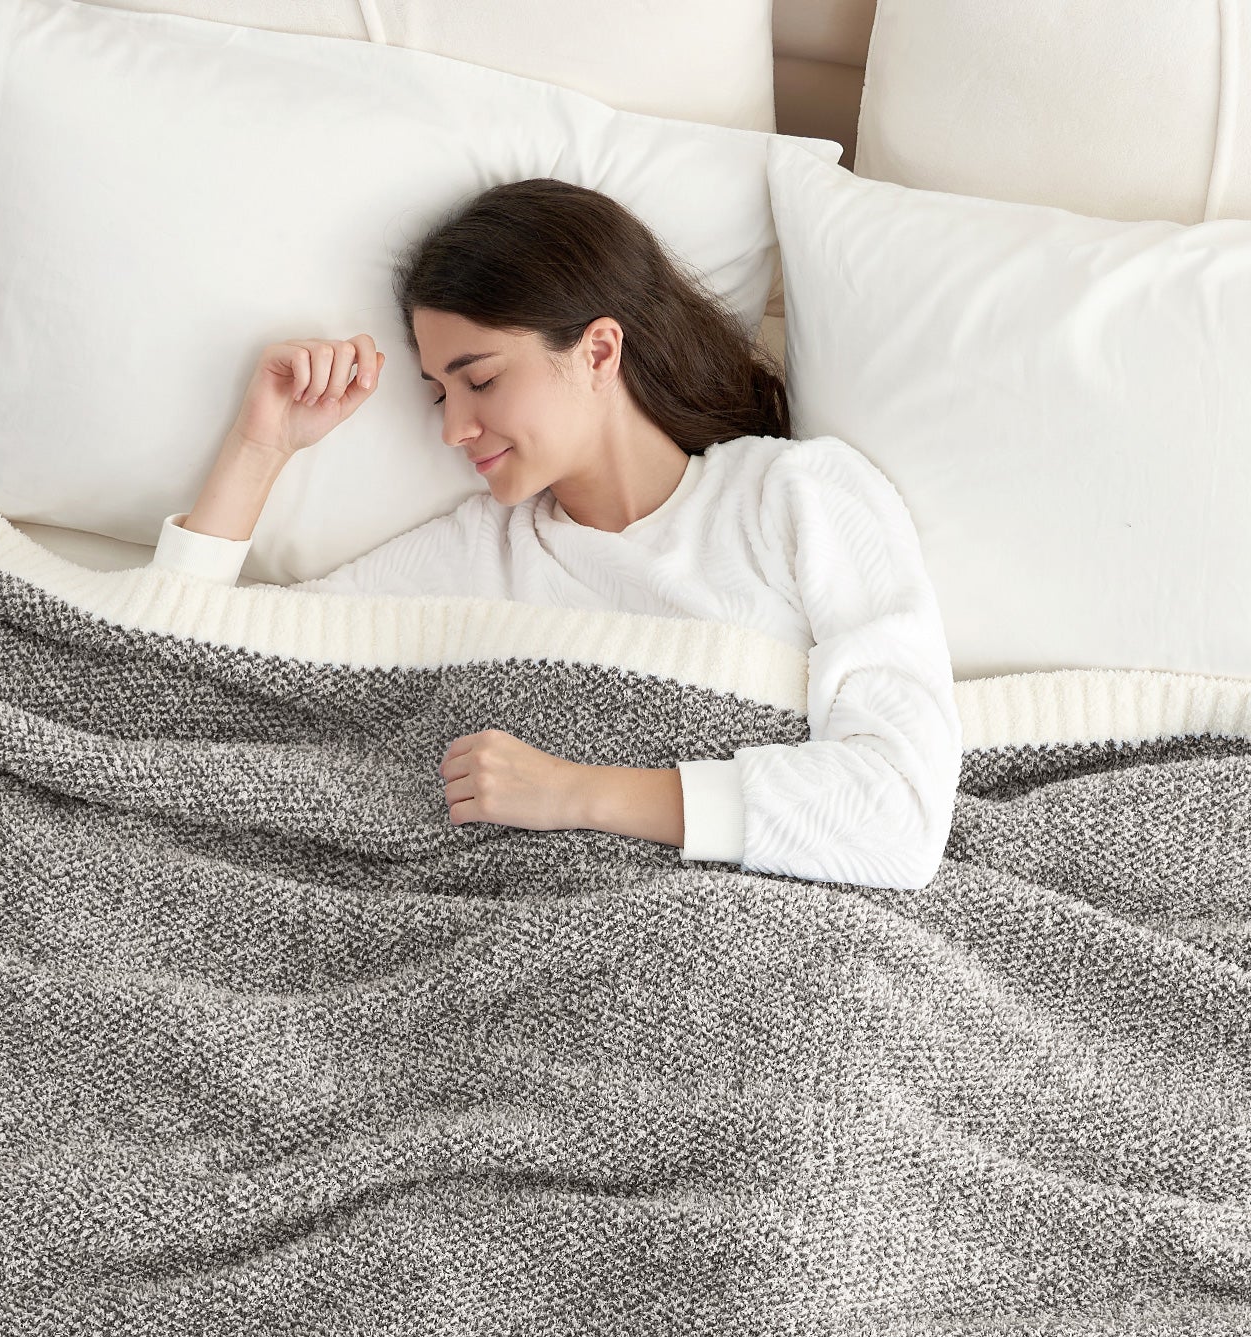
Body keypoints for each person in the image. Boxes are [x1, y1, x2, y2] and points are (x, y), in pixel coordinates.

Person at [150, 178, 963, 892]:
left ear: (600, 350)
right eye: (439, 395)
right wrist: (260, 449)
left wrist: (578, 793)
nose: (455, 430)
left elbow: (901, 808)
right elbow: (199, 686)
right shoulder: (481, 552)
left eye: (482, 379)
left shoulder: (797, 497)